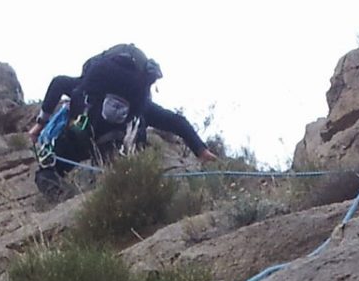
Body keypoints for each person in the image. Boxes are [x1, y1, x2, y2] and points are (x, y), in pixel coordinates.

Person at [28, 43, 218, 198]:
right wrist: (201, 150)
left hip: (85, 136)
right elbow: (176, 121)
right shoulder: (141, 105)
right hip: (123, 148)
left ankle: (61, 198)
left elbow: (58, 82)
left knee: (47, 171)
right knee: (130, 163)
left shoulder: (87, 88)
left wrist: (40, 124)